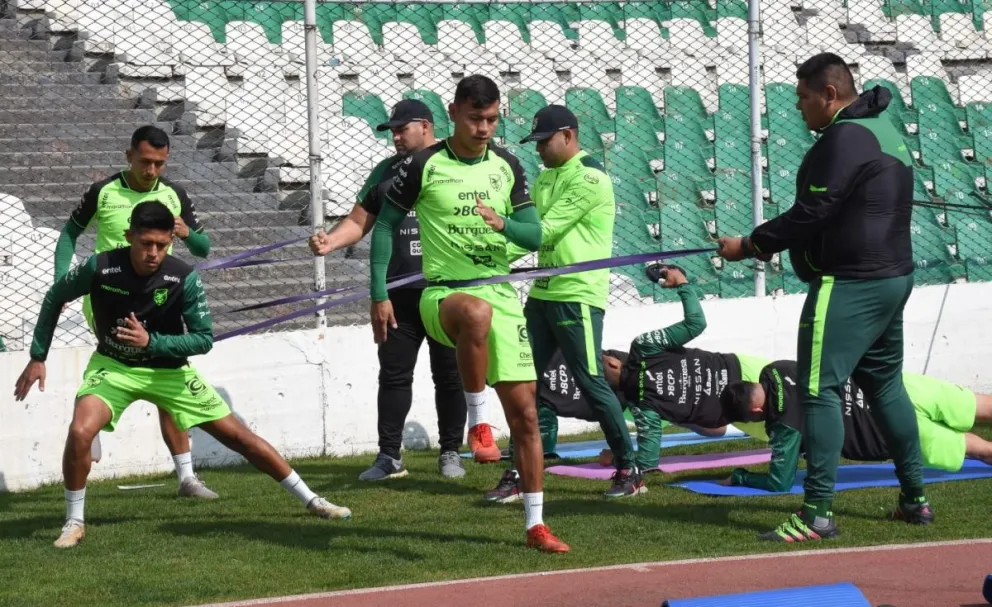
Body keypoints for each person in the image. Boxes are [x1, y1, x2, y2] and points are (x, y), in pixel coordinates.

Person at [14, 201, 352, 549]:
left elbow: (203, 338)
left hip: (170, 372)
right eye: (146, 243)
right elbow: (55, 297)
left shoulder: (182, 276)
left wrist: (152, 342)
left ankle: (313, 500)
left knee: (239, 437)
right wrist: (38, 357)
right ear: (129, 236)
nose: (153, 253)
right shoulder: (100, 267)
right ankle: (74, 522)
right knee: (80, 430)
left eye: (162, 245)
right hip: (114, 367)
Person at [716, 52, 931, 542]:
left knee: (817, 391)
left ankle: (816, 514)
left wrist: (750, 245)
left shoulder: (845, 136)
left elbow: (813, 210)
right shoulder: (881, 127)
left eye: (803, 97)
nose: (798, 106)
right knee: (885, 386)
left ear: (829, 95)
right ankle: (915, 500)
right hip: (892, 278)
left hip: (850, 283)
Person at [367, 74, 569, 553]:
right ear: (454, 112)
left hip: (500, 293)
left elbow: (534, 235)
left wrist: (505, 224)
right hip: (442, 294)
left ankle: (535, 525)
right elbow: (383, 227)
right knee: (475, 314)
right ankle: (478, 426)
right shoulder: (422, 164)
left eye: (493, 119)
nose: (484, 128)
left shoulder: (508, 165)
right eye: (476, 118)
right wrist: (379, 293)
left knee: (525, 417)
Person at [485, 264, 770, 503]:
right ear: (611, 362)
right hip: (744, 379)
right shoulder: (646, 352)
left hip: (738, 404)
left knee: (795, 425)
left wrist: (620, 456)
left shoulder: (642, 405)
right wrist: (682, 283)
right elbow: (696, 323)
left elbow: (649, 457)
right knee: (801, 401)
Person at [308, 99, 472, 480]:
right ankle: (388, 456)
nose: (395, 137)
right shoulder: (385, 172)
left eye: (402, 129)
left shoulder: (452, 162)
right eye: (392, 131)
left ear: (426, 126)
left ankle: (451, 451)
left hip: (444, 290)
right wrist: (331, 243)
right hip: (397, 294)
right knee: (394, 375)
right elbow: (359, 220)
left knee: (449, 375)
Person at [53, 125, 216, 499]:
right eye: (145, 161)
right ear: (129, 156)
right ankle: (87, 428)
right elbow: (68, 235)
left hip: (161, 298)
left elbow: (205, 248)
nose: (152, 170)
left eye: (159, 163)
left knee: (169, 372)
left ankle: (187, 478)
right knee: (116, 360)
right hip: (109, 297)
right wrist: (64, 281)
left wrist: (189, 233)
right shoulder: (104, 192)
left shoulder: (175, 195)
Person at [502, 104, 640, 499]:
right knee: (525, 383)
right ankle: (518, 472)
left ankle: (629, 468)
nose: (539, 149)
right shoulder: (546, 180)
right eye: (535, 143)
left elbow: (543, 232)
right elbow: (529, 237)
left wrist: (502, 230)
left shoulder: (591, 178)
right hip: (543, 292)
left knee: (590, 381)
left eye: (544, 142)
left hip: (577, 294)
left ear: (568, 135)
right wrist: (486, 260)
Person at [720, 361, 992, 499]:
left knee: (981, 450)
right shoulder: (775, 369)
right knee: (977, 404)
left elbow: (780, 483)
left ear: (756, 412)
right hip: (895, 388)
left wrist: (741, 478)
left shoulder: (783, 426)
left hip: (886, 428)